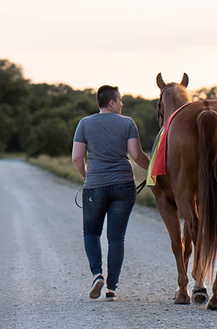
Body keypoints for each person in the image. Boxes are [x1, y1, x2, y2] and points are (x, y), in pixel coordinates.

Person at [71, 85, 150, 302]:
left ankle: (97, 274)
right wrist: (154, 171)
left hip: (94, 186)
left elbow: (77, 157)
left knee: (91, 233)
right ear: (112, 103)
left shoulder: (84, 124)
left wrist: (85, 175)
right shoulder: (127, 123)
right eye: (120, 100)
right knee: (116, 237)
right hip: (123, 186)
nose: (122, 104)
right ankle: (112, 288)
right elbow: (136, 154)